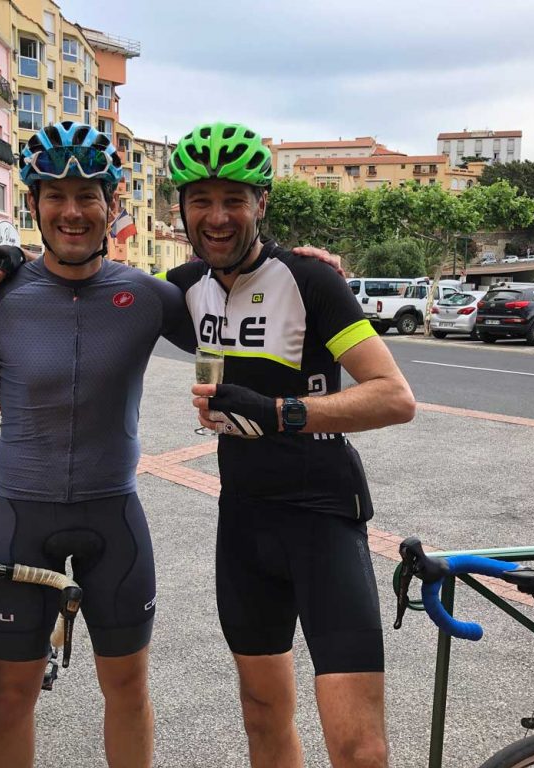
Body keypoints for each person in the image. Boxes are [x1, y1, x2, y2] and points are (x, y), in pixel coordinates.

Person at [0, 121, 193, 768]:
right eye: (54, 194)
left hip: (115, 521)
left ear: (113, 207)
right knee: (11, 695)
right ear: (33, 206)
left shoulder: (148, 296)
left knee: (128, 689)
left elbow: (239, 309)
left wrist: (296, 270)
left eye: (88, 194)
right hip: (21, 519)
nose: (72, 210)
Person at [163, 122, 416, 768]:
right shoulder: (184, 288)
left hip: (321, 518)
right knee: (263, 717)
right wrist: (2, 272)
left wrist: (279, 412)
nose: (218, 216)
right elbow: (91, 288)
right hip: (243, 521)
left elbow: (393, 395)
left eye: (234, 199)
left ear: (262, 203)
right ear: (182, 209)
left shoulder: (310, 281)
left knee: (358, 747)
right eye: (202, 200)